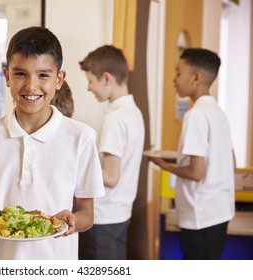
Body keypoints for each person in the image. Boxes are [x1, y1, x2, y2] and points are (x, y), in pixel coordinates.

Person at [0, 26, 105, 260]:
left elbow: (87, 212)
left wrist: (73, 220)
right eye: (20, 74)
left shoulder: (81, 137)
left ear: (59, 79)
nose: (31, 86)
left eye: (43, 75)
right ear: (6, 76)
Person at [146, 48, 235, 260]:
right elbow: (230, 161)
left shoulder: (195, 115)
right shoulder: (218, 112)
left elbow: (196, 172)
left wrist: (162, 164)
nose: (173, 79)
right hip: (220, 211)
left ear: (196, 77)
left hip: (201, 215)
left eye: (178, 73)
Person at [77, 45, 145, 260]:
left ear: (107, 78)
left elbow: (112, 177)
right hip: (121, 213)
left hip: (104, 217)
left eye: (90, 80)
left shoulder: (115, 119)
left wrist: (77, 162)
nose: (89, 88)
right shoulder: (134, 112)